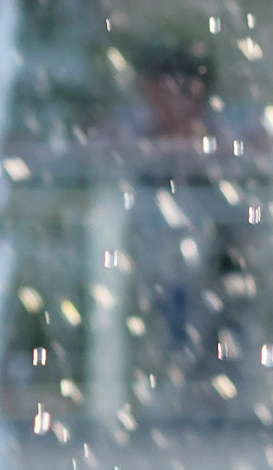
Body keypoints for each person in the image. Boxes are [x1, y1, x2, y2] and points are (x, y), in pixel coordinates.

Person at [106, 45, 253, 413]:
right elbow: (97, 149)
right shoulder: (134, 128)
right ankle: (170, 396)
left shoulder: (226, 128)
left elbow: (266, 146)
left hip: (219, 262)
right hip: (156, 268)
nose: (157, 106)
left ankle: (215, 400)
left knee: (216, 331)